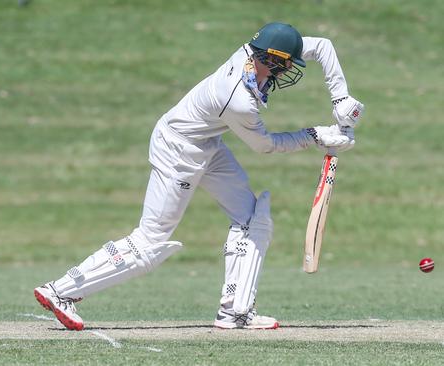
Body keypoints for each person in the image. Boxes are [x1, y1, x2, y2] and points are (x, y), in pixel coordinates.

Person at [34, 22, 364, 331]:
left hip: (206, 144)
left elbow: (322, 46)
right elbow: (264, 146)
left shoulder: (261, 53)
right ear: (273, 58)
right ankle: (61, 291)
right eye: (287, 63)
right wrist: (316, 136)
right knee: (150, 241)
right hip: (179, 149)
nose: (290, 69)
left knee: (252, 217)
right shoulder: (238, 100)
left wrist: (340, 98)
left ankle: (236, 311)